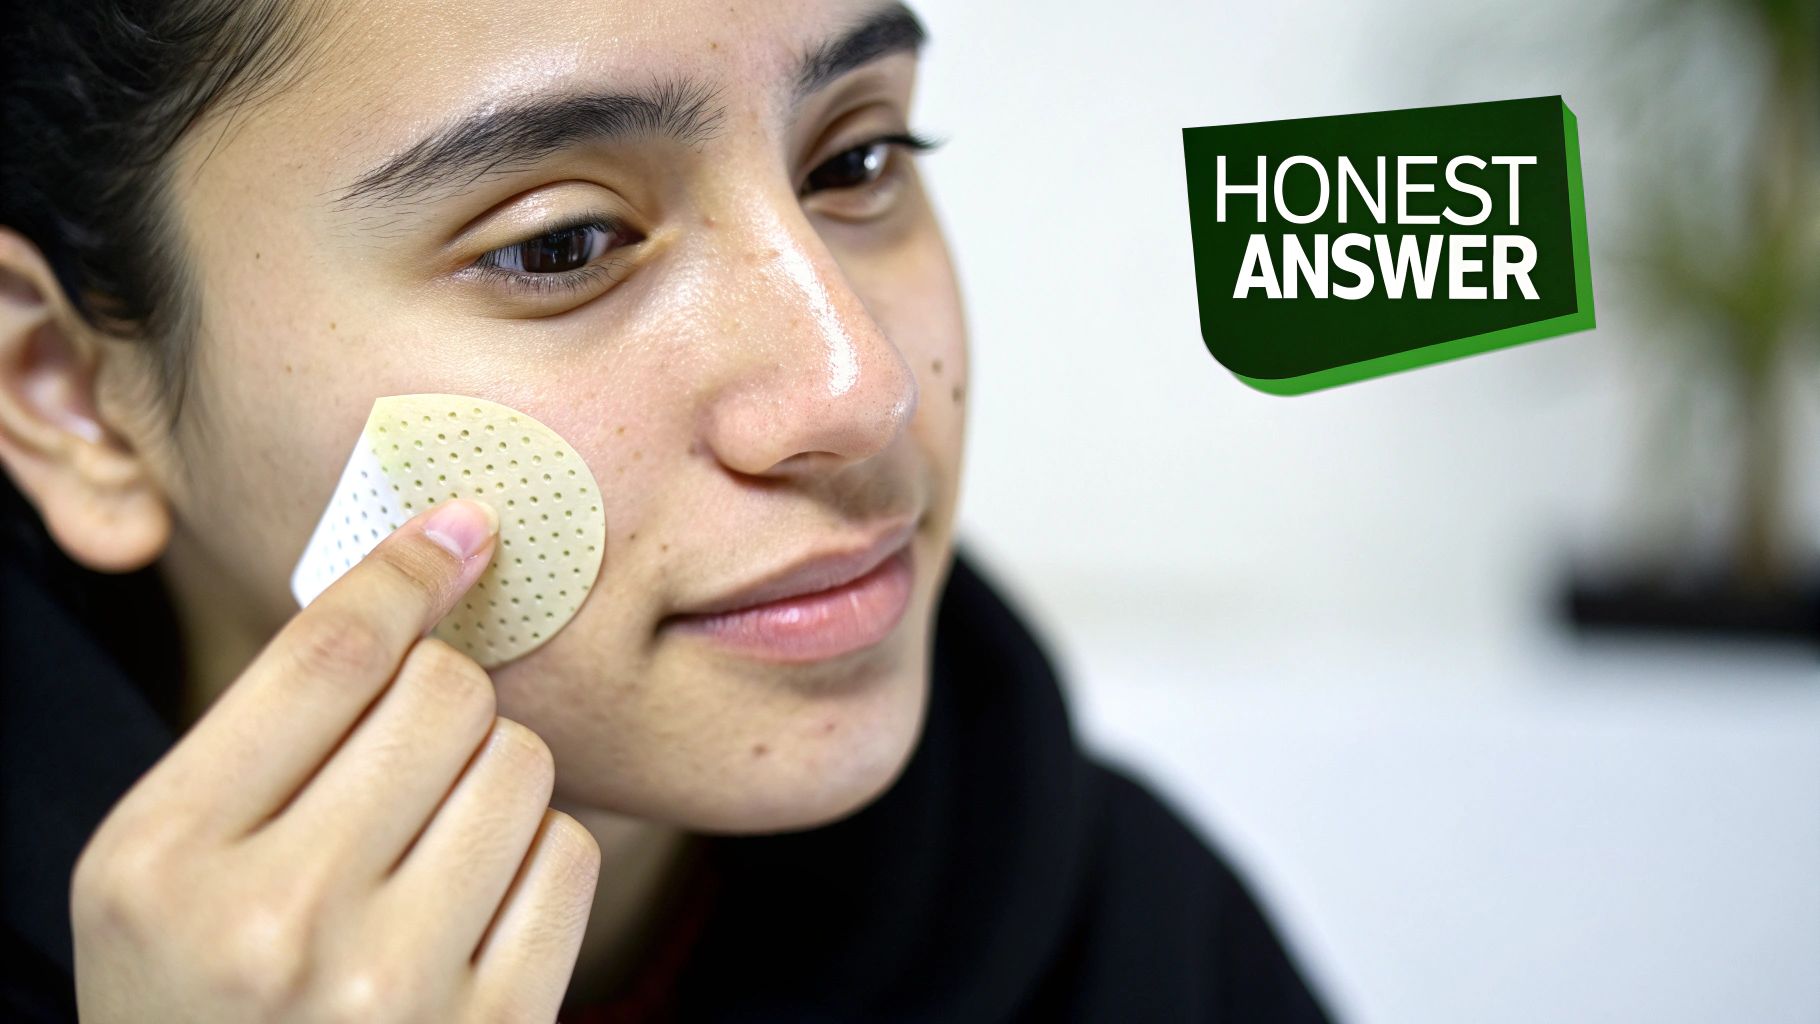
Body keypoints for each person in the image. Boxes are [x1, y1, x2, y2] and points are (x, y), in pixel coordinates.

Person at [0, 1, 1339, 1020]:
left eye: (858, 159)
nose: (855, 386)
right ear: (76, 405)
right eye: (561, 245)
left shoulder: (1147, 945)